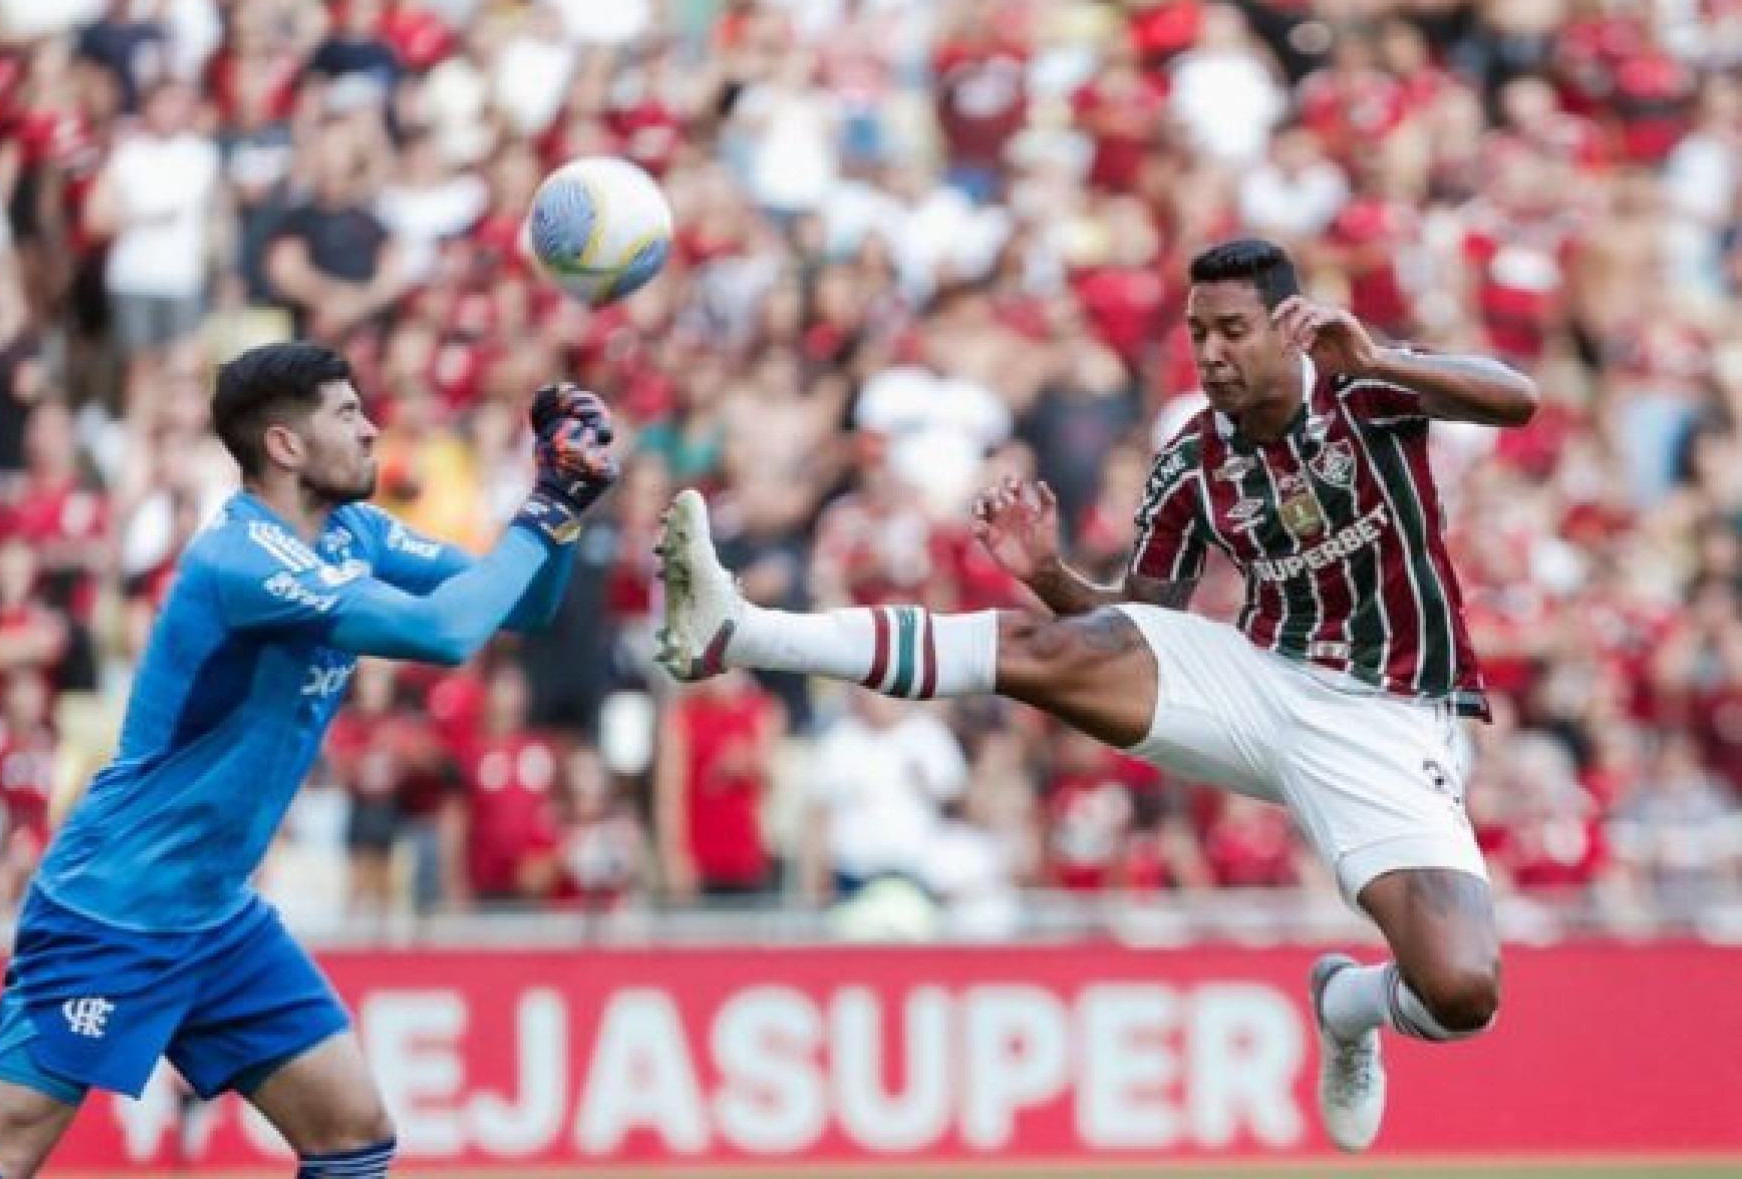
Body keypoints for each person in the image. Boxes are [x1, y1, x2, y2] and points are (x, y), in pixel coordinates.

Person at [656, 237, 1539, 1154]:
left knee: (1462, 990)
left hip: (1386, 715)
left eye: (1233, 330)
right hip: (1258, 678)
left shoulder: (1365, 388)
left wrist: (1380, 353)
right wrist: (1047, 575)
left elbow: (1520, 399)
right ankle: (744, 629)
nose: (1213, 354)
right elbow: (1142, 621)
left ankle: (1346, 1003)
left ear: (1287, 325)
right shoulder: (1192, 459)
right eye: (1199, 334)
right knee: (1045, 648)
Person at [0, 341, 620, 1179]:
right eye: (348, 414)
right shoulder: (238, 559)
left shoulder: (355, 529)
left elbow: (522, 603)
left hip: (215, 914)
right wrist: (542, 505)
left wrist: (564, 500)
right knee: (2, 1149)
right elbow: (444, 632)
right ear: (285, 445)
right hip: (114, 908)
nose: (372, 430)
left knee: (353, 1132)